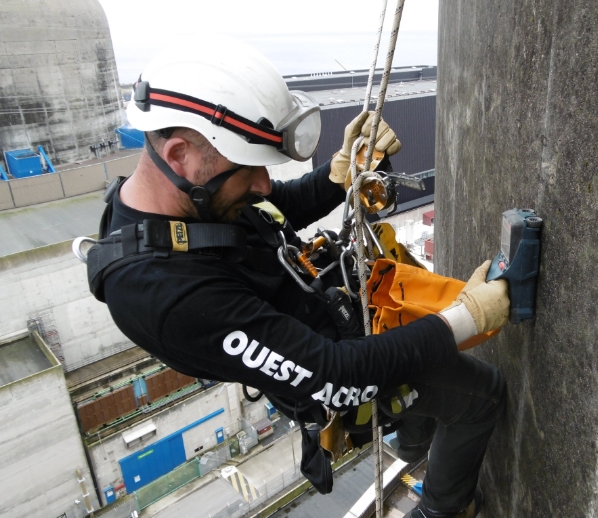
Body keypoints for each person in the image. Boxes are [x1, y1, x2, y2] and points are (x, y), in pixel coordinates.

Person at [94, 35, 509, 518]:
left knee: (425, 411)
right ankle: (444, 510)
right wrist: (467, 316)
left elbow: (272, 209)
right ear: (181, 155)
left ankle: (419, 452)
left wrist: (339, 174)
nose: (263, 184)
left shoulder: (186, 199)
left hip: (347, 328)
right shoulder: (162, 295)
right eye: (250, 168)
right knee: (483, 395)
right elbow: (335, 373)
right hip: (336, 372)